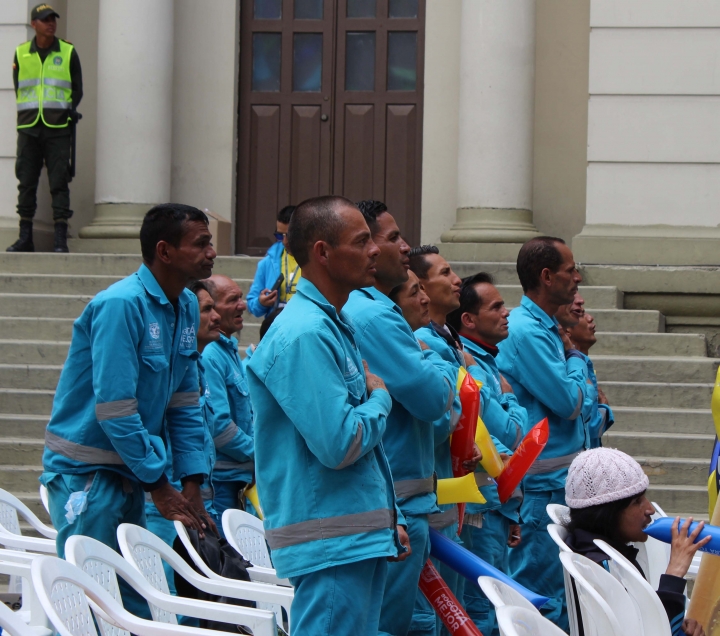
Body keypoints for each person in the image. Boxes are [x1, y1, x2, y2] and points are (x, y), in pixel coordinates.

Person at [41, 203, 216, 615]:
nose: (211, 253)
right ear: (165, 251)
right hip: (88, 476)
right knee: (86, 605)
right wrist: (159, 484)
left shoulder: (186, 306)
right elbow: (116, 409)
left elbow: (185, 400)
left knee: (132, 604)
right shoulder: (121, 304)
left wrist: (191, 478)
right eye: (201, 243)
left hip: (133, 476)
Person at [246, 195, 409, 636]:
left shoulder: (330, 323)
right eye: (361, 242)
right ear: (322, 252)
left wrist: (387, 518)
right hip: (331, 543)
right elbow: (340, 443)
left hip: (352, 537)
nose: (375, 250)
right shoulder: (305, 332)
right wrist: (380, 400)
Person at [343, 201, 458, 636]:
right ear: (367, 247)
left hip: (404, 504)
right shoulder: (373, 314)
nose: (405, 247)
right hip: (395, 507)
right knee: (390, 627)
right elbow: (432, 402)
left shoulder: (374, 311)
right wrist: (445, 364)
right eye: (393, 238)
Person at [496, 236, 591, 629]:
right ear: (547, 277)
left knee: (562, 591)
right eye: (570, 271)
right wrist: (575, 357)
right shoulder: (527, 331)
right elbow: (569, 403)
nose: (578, 278)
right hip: (539, 491)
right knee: (538, 597)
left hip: (558, 484)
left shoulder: (547, 327)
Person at [408, 245, 492, 636]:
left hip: (453, 496)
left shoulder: (448, 340)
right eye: (444, 273)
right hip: (433, 499)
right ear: (419, 286)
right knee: (435, 618)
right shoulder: (423, 343)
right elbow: (447, 412)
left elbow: (481, 412)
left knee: (455, 615)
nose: (456, 280)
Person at [447, 273, 529, 636]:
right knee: (483, 611)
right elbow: (511, 433)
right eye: (495, 306)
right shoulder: (470, 364)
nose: (506, 312)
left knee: (497, 608)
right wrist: (509, 397)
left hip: (496, 505)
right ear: (468, 319)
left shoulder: (487, 361)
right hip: (478, 506)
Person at [565, 448, 709, 636]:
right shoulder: (600, 567)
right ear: (607, 512)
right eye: (637, 501)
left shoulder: (600, 549)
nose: (649, 509)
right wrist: (675, 571)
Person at [145, 279, 221, 598]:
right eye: (206, 309)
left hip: (193, 496)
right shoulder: (166, 371)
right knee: (169, 593)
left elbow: (198, 431)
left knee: (194, 594)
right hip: (166, 501)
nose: (215, 315)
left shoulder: (196, 368)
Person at [8, 3, 83, 253]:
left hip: (58, 126)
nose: (51, 23)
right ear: (34, 25)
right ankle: (25, 237)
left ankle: (60, 240)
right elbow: (20, 87)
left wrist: (64, 111)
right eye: (45, 19)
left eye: (53, 19)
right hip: (29, 126)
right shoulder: (21, 54)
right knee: (26, 181)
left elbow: (77, 89)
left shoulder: (68, 51)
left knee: (59, 181)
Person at [202, 275, 255, 522]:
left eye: (241, 297)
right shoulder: (211, 354)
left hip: (236, 482)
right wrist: (260, 453)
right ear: (211, 309)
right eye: (233, 300)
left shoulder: (227, 351)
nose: (242, 305)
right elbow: (219, 426)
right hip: (221, 485)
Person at [565, 312, 614, 448]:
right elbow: (592, 427)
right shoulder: (570, 364)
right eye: (580, 313)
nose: (590, 318)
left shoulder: (582, 362)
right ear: (566, 330)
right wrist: (604, 408)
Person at [246, 205, 300, 317]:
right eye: (280, 235)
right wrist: (261, 303)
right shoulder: (267, 262)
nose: (285, 241)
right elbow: (252, 305)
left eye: (289, 235)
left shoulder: (318, 261)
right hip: (276, 326)